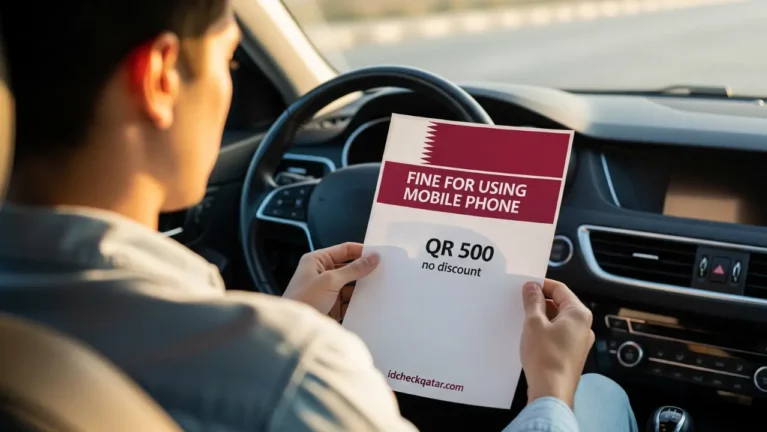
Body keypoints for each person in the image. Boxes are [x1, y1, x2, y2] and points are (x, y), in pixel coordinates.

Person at [0, 1, 638, 431]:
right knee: (601, 398)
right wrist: (551, 392)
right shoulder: (293, 375)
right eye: (229, 61)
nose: (227, 85)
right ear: (161, 76)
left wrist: (286, 318)